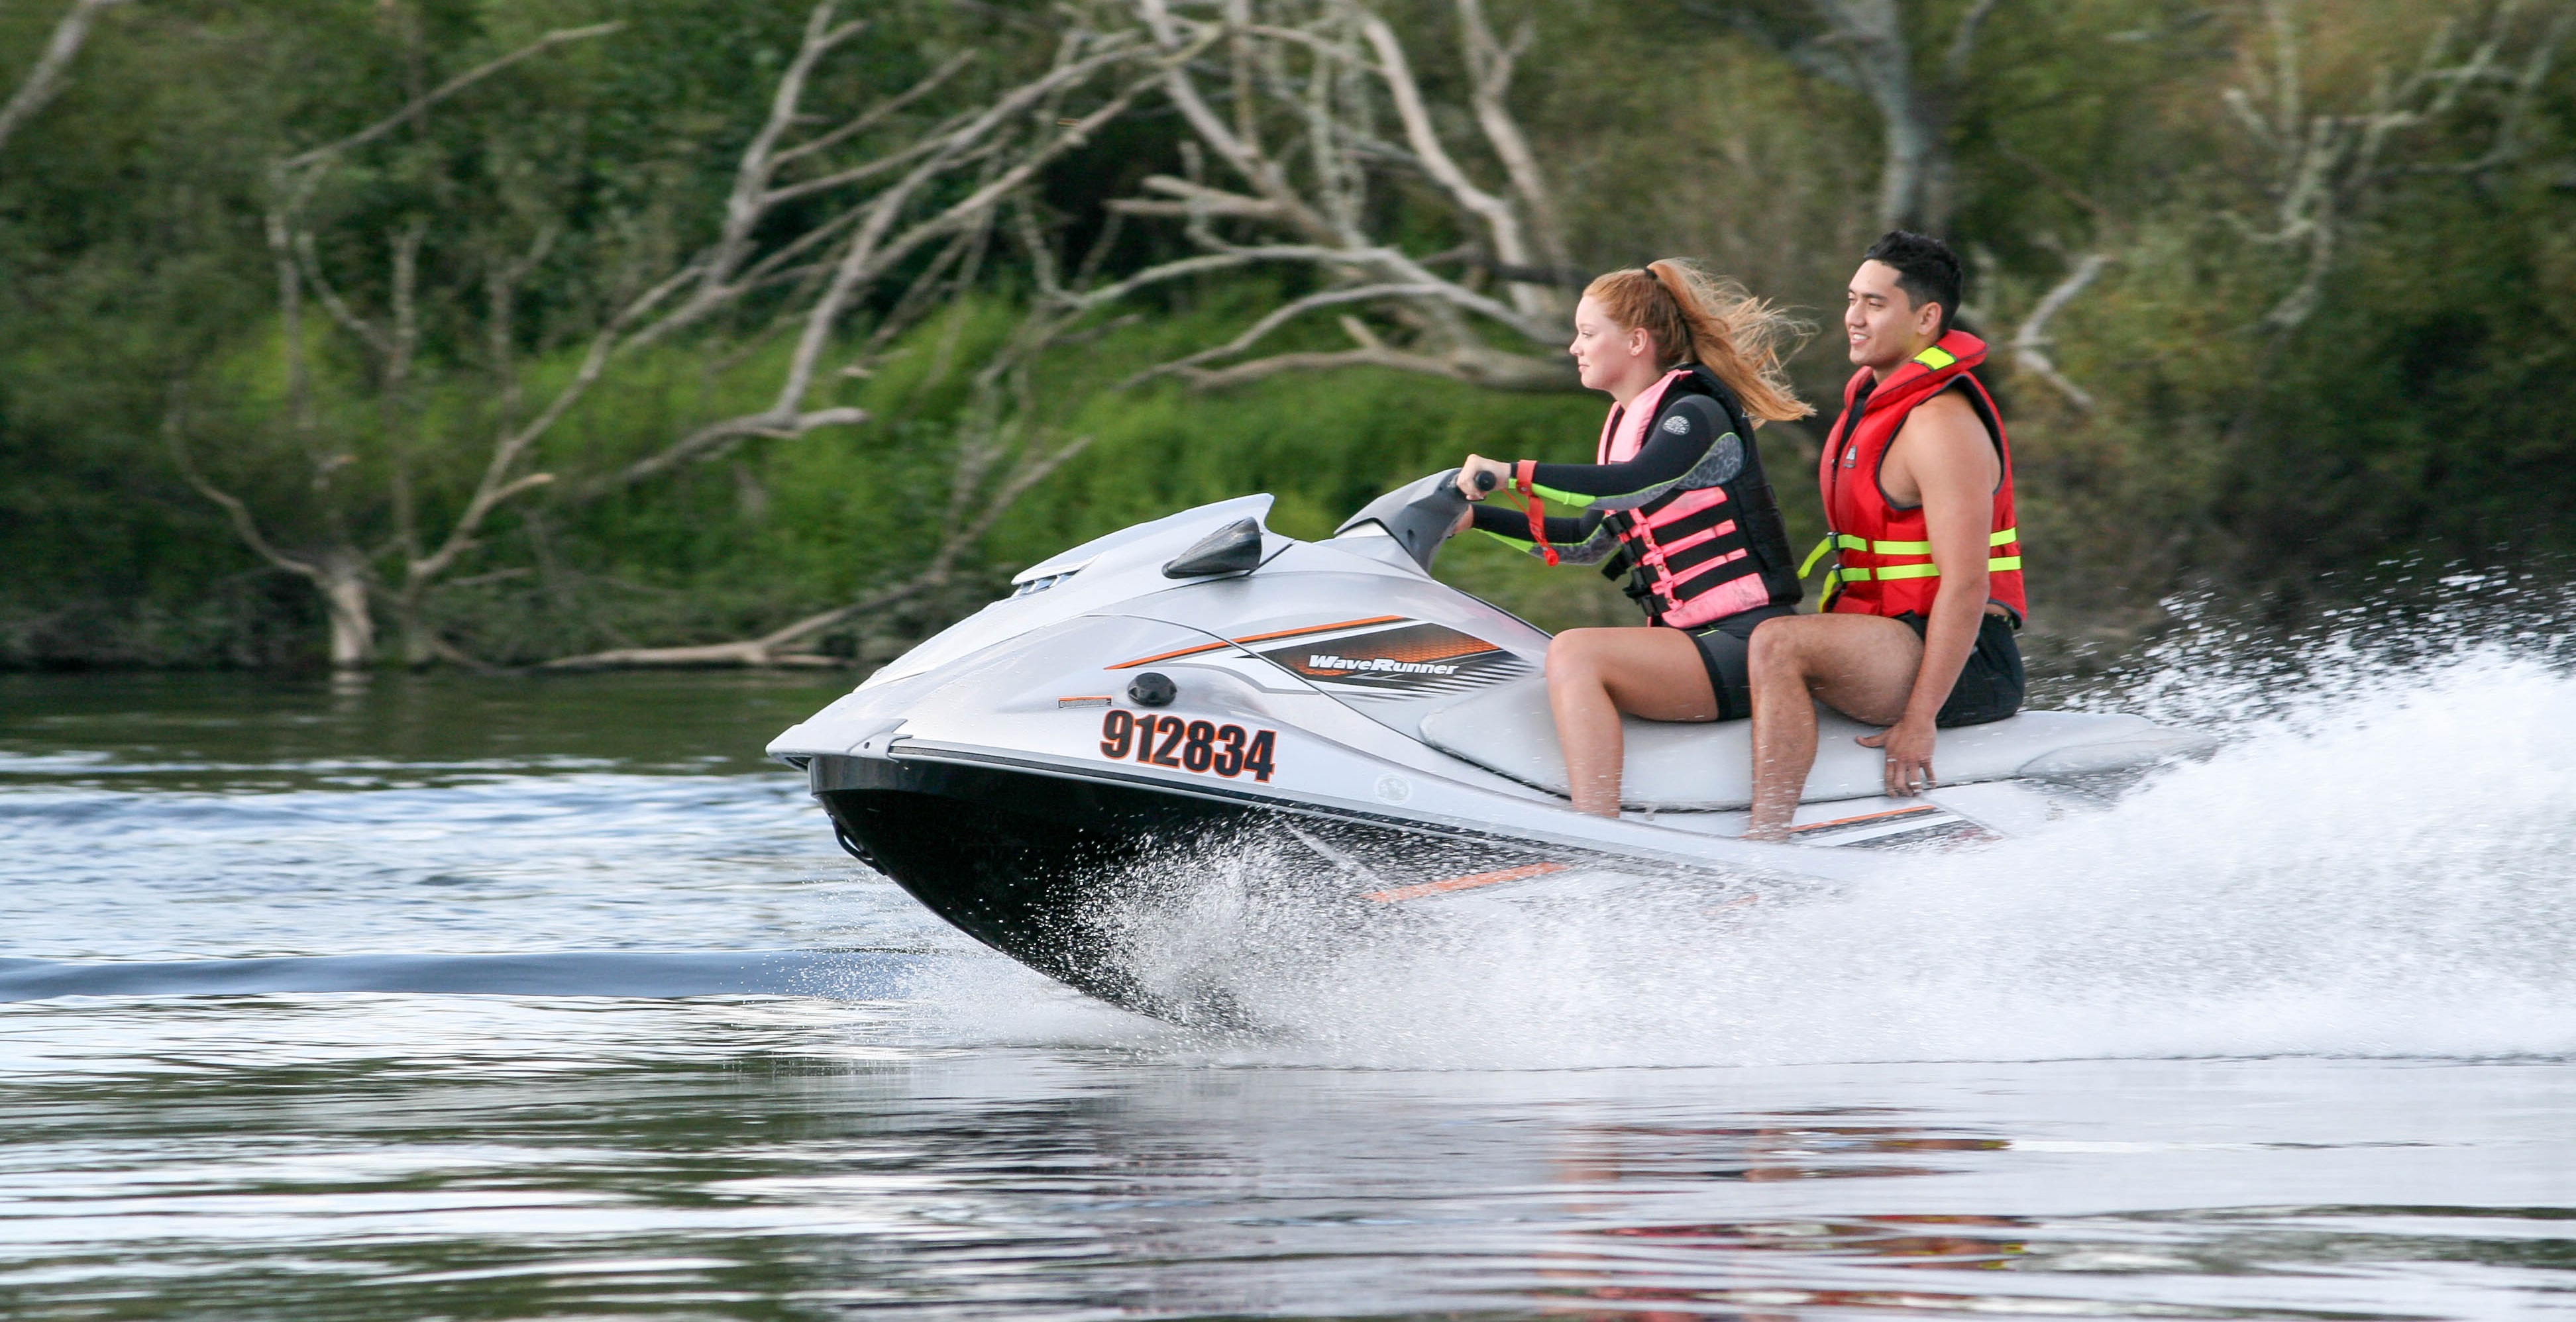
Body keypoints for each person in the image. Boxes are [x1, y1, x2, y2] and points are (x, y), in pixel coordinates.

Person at [1455, 260, 1811, 818]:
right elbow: (1583, 541)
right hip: (1703, 645)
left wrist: (1512, 472)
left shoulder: (1695, 413)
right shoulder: (1628, 428)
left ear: (1637, 341)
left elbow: (1632, 484)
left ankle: (1597, 828)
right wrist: (1475, 520)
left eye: (1588, 333)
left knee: (1575, 651)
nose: (1575, 347)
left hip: (1749, 647)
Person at [1742, 231, 2027, 841]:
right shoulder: (1873, 404)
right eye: (1851, 300)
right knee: (1748, 637)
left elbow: (1968, 582)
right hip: (1895, 638)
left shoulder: (1940, 426)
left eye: (1874, 304)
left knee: (1778, 645)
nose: (1852, 317)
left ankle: (1765, 846)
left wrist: (1919, 718)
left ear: (1927, 318)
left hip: (1968, 659)